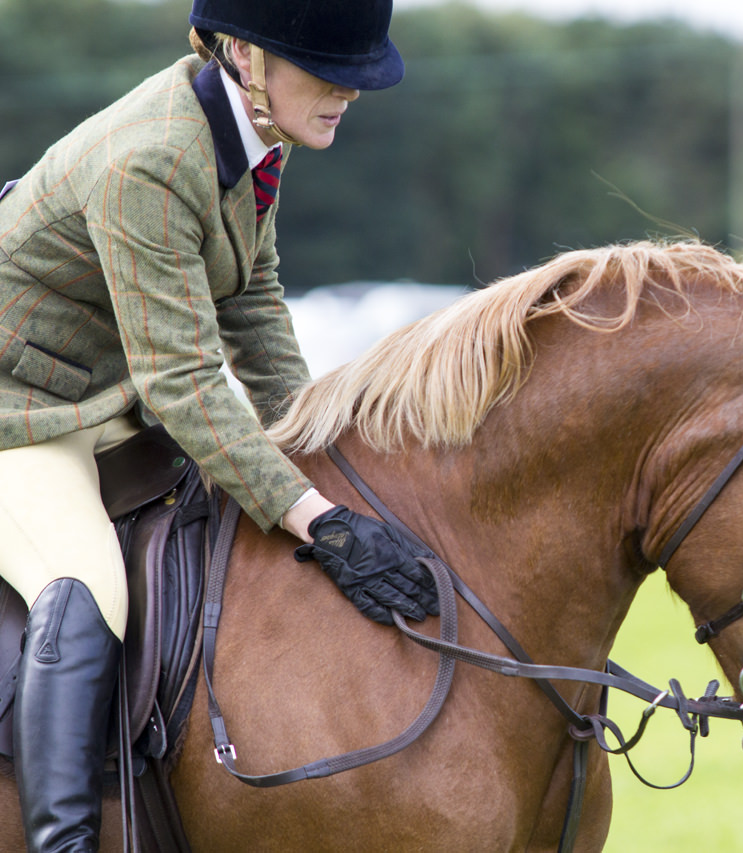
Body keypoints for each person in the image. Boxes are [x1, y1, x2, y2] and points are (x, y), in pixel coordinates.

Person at [0, 2, 436, 849]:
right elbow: (184, 381)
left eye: (356, 70)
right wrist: (318, 517)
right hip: (20, 411)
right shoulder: (152, 158)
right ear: (243, 52)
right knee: (88, 588)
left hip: (106, 393)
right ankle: (63, 839)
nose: (349, 89)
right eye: (326, 67)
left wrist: (318, 452)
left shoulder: (251, 130)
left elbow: (254, 304)